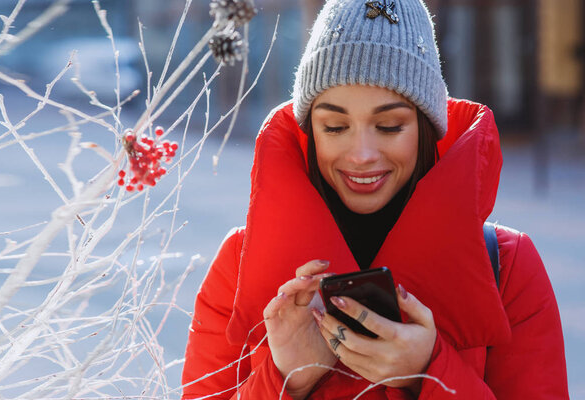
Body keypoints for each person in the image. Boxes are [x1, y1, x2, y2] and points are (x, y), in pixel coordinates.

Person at [181, 0, 569, 398]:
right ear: (310, 131)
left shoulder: (507, 267)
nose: (361, 154)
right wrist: (287, 378)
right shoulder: (239, 264)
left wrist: (429, 372)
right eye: (334, 127)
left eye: (388, 126)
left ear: (426, 127)